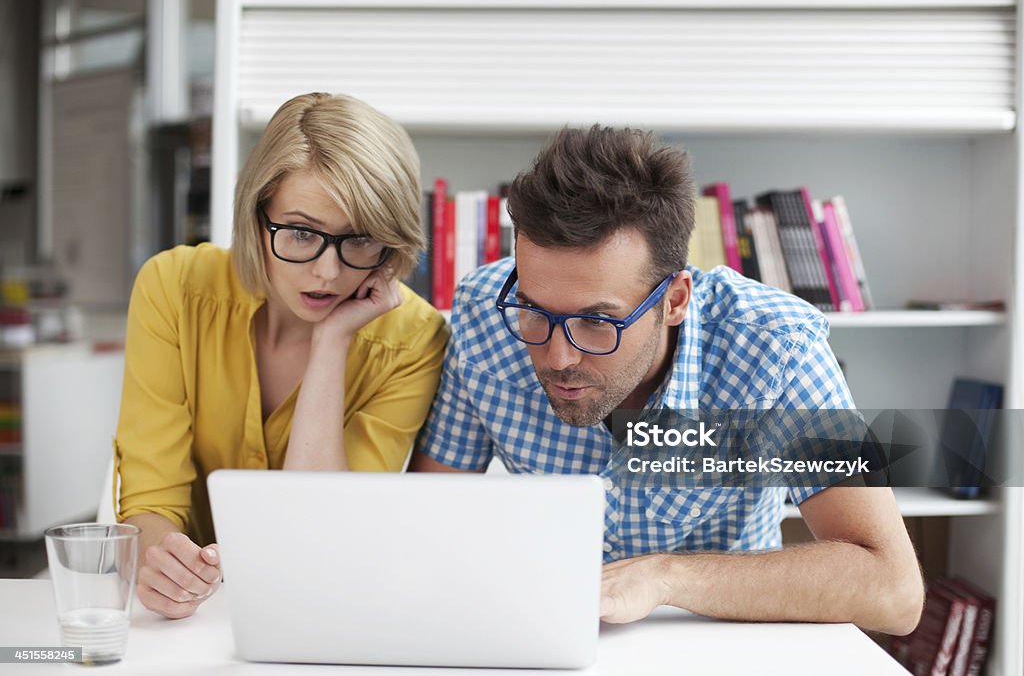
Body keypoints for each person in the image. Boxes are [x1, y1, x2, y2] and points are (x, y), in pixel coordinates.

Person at [410, 126, 923, 635]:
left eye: (597, 321)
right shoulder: (482, 315)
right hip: (541, 633)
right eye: (534, 311)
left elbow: (894, 591)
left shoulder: (774, 347)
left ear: (674, 300)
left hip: (721, 645)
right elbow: (424, 526)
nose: (558, 356)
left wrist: (664, 577)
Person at [115, 92, 448, 619]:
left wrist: (332, 342)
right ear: (256, 216)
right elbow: (150, 499)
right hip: (197, 619)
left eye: (359, 241)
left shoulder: (414, 339)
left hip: (323, 610)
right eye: (299, 233)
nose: (327, 274)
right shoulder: (174, 288)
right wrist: (158, 562)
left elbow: (324, 531)